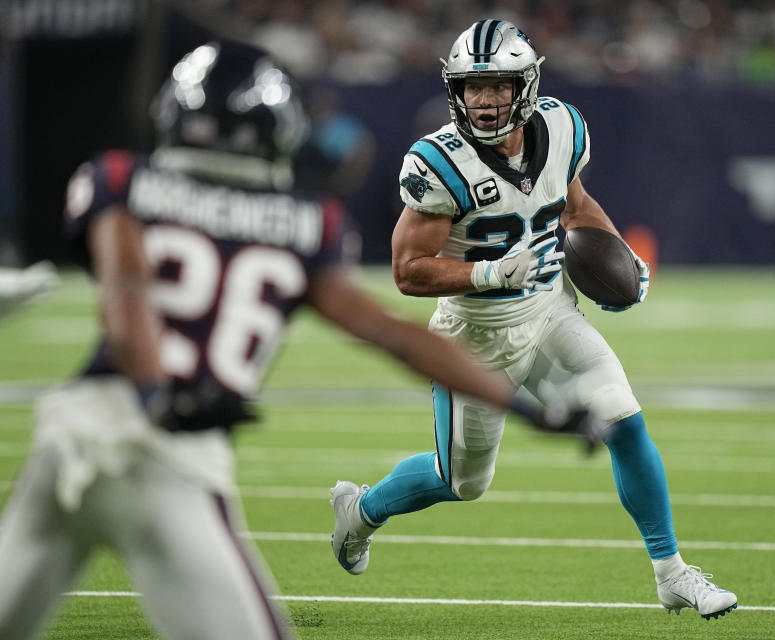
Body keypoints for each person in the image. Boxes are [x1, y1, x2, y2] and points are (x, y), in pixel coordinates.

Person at [0, 40, 601, 640]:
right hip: (166, 458)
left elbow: (126, 290)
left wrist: (154, 389)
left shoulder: (118, 179)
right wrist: (524, 408)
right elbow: (390, 334)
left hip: (72, 433)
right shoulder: (305, 223)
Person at [328, 19, 739, 620]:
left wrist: (618, 255)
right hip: (474, 336)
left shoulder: (561, 126)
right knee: (462, 481)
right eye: (472, 87)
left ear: (525, 85)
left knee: (623, 419)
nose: (484, 100)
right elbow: (407, 270)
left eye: (497, 86)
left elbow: (574, 204)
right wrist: (487, 274)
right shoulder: (440, 162)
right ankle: (361, 513)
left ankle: (670, 570)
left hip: (549, 311)